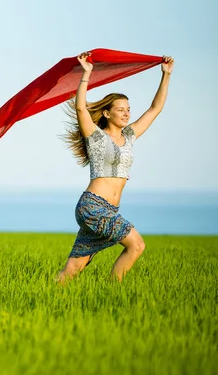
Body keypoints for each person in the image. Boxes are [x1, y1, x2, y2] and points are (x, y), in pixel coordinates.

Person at [56, 51, 174, 283]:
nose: (127, 113)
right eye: (121, 109)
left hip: (110, 210)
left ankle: (47, 294)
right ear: (107, 113)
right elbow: (81, 109)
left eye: (128, 109)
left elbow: (154, 109)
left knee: (72, 270)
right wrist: (85, 74)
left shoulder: (129, 136)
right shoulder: (96, 137)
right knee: (137, 245)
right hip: (93, 206)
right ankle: (114, 291)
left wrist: (166, 76)